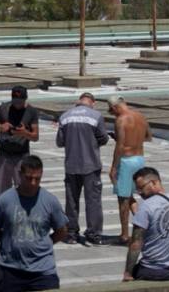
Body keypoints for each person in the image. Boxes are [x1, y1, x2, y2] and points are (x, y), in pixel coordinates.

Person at [0, 155, 68, 292]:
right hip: (11, 269)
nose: (33, 183)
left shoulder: (50, 201)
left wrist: (44, 243)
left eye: (37, 178)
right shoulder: (5, 200)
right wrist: (8, 242)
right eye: (29, 178)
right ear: (20, 174)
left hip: (43, 271)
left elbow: (62, 230)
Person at [123, 167, 169, 282]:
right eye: (137, 190)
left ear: (154, 182)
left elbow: (135, 244)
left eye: (141, 188)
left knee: (135, 270)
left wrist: (127, 274)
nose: (140, 193)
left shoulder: (146, 207)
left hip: (152, 271)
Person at [56, 91, 109, 245]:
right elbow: (103, 138)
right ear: (92, 102)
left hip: (71, 165)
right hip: (90, 165)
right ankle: (93, 234)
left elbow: (60, 142)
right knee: (93, 201)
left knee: (71, 201)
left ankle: (71, 233)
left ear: (78, 101)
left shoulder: (65, 116)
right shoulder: (96, 116)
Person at [107, 95, 151, 245]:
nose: (112, 114)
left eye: (111, 111)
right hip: (140, 159)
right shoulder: (140, 116)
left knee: (123, 199)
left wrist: (113, 167)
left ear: (115, 107)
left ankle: (124, 235)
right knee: (131, 195)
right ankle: (144, 229)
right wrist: (134, 141)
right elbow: (148, 137)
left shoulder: (121, 120)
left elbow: (120, 146)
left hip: (126, 161)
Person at [0, 86, 39, 196]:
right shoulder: (3, 108)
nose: (17, 104)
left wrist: (25, 133)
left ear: (25, 99)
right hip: (4, 154)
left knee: (23, 188)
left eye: (20, 101)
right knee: (1, 187)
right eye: (15, 101)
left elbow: (35, 136)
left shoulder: (31, 111)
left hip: (22, 155)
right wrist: (0, 127)